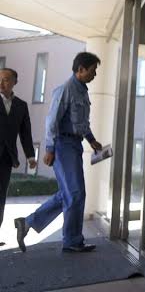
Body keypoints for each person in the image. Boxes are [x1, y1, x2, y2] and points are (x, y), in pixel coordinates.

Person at [15, 52, 103, 253]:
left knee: (69, 193)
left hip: (75, 145)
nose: (94, 74)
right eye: (92, 71)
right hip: (62, 145)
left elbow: (82, 123)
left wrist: (91, 140)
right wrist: (49, 148)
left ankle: (27, 223)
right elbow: (51, 122)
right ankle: (72, 241)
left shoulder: (82, 92)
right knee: (75, 193)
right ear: (80, 69)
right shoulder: (65, 90)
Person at [0, 68, 36, 247]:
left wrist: (30, 156)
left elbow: (25, 133)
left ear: (14, 82)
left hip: (6, 158)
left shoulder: (21, 106)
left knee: (0, 197)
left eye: (6, 79)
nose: (1, 83)